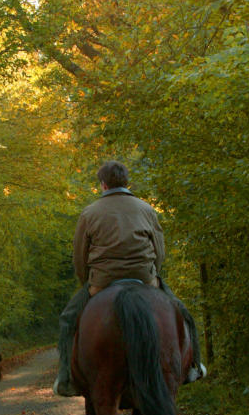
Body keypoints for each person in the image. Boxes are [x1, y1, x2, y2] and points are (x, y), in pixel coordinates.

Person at [53, 161, 205, 397]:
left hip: (102, 281)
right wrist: (153, 274)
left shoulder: (89, 213)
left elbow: (79, 256)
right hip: (144, 278)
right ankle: (194, 367)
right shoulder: (146, 209)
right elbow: (160, 250)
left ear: (102, 184)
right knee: (183, 313)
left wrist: (88, 283)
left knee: (67, 320)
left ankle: (65, 378)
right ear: (127, 182)